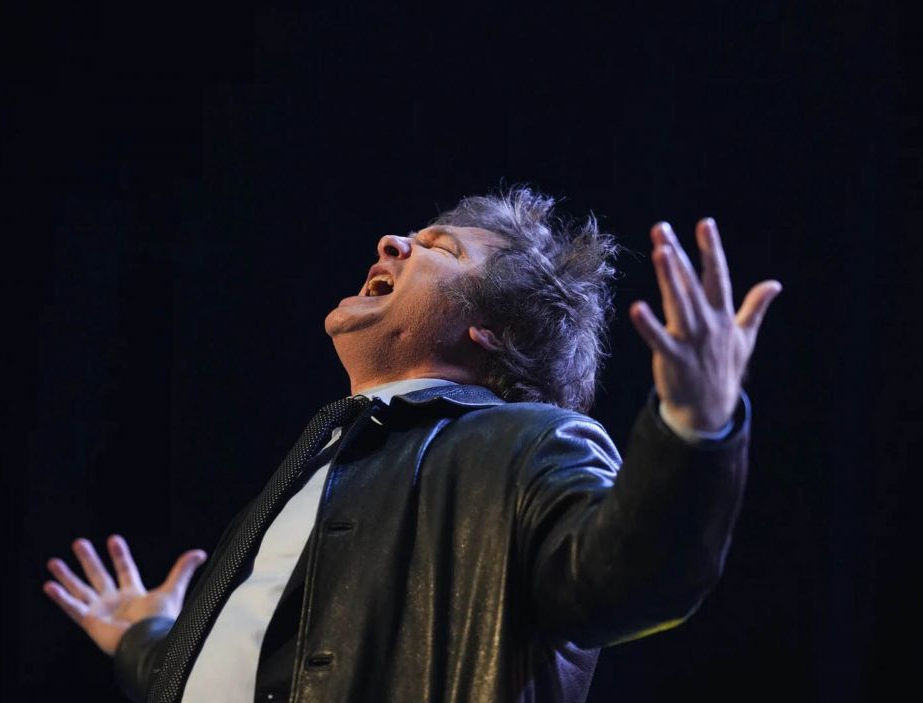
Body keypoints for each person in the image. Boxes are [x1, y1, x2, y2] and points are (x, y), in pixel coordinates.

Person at [42, 186, 781, 702]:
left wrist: (694, 425)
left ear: (490, 330)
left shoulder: (531, 445)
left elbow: (629, 578)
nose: (391, 242)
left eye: (439, 248)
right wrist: (146, 637)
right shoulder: (324, 461)